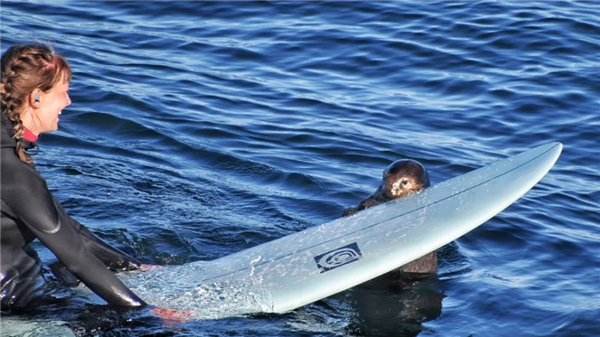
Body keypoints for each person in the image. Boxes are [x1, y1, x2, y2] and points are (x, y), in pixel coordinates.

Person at [0, 43, 146, 310]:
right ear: (36, 97)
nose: (68, 102)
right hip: (16, 301)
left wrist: (134, 267)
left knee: (108, 264)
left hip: (20, 281)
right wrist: (145, 311)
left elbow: (65, 226)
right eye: (64, 92)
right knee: (120, 322)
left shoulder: (7, 152)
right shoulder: (15, 173)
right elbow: (75, 256)